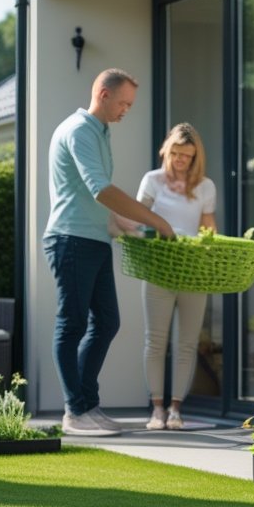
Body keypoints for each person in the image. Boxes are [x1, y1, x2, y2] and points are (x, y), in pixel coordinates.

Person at [43, 68, 174, 438]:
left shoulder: (99, 132)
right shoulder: (79, 130)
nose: (125, 111)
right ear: (103, 94)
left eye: (129, 105)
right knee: (72, 324)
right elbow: (100, 189)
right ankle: (76, 410)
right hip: (70, 240)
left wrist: (122, 224)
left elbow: (91, 198)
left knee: (107, 322)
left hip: (95, 239)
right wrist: (157, 221)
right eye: (123, 103)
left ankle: (86, 405)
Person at [135, 123, 217, 430]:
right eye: (176, 153)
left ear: (196, 157)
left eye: (188, 155)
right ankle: (157, 409)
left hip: (193, 272)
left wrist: (208, 251)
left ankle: (176, 410)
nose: (181, 160)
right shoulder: (152, 181)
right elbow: (137, 219)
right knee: (155, 341)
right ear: (166, 151)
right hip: (158, 269)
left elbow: (209, 229)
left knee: (187, 343)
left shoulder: (205, 186)